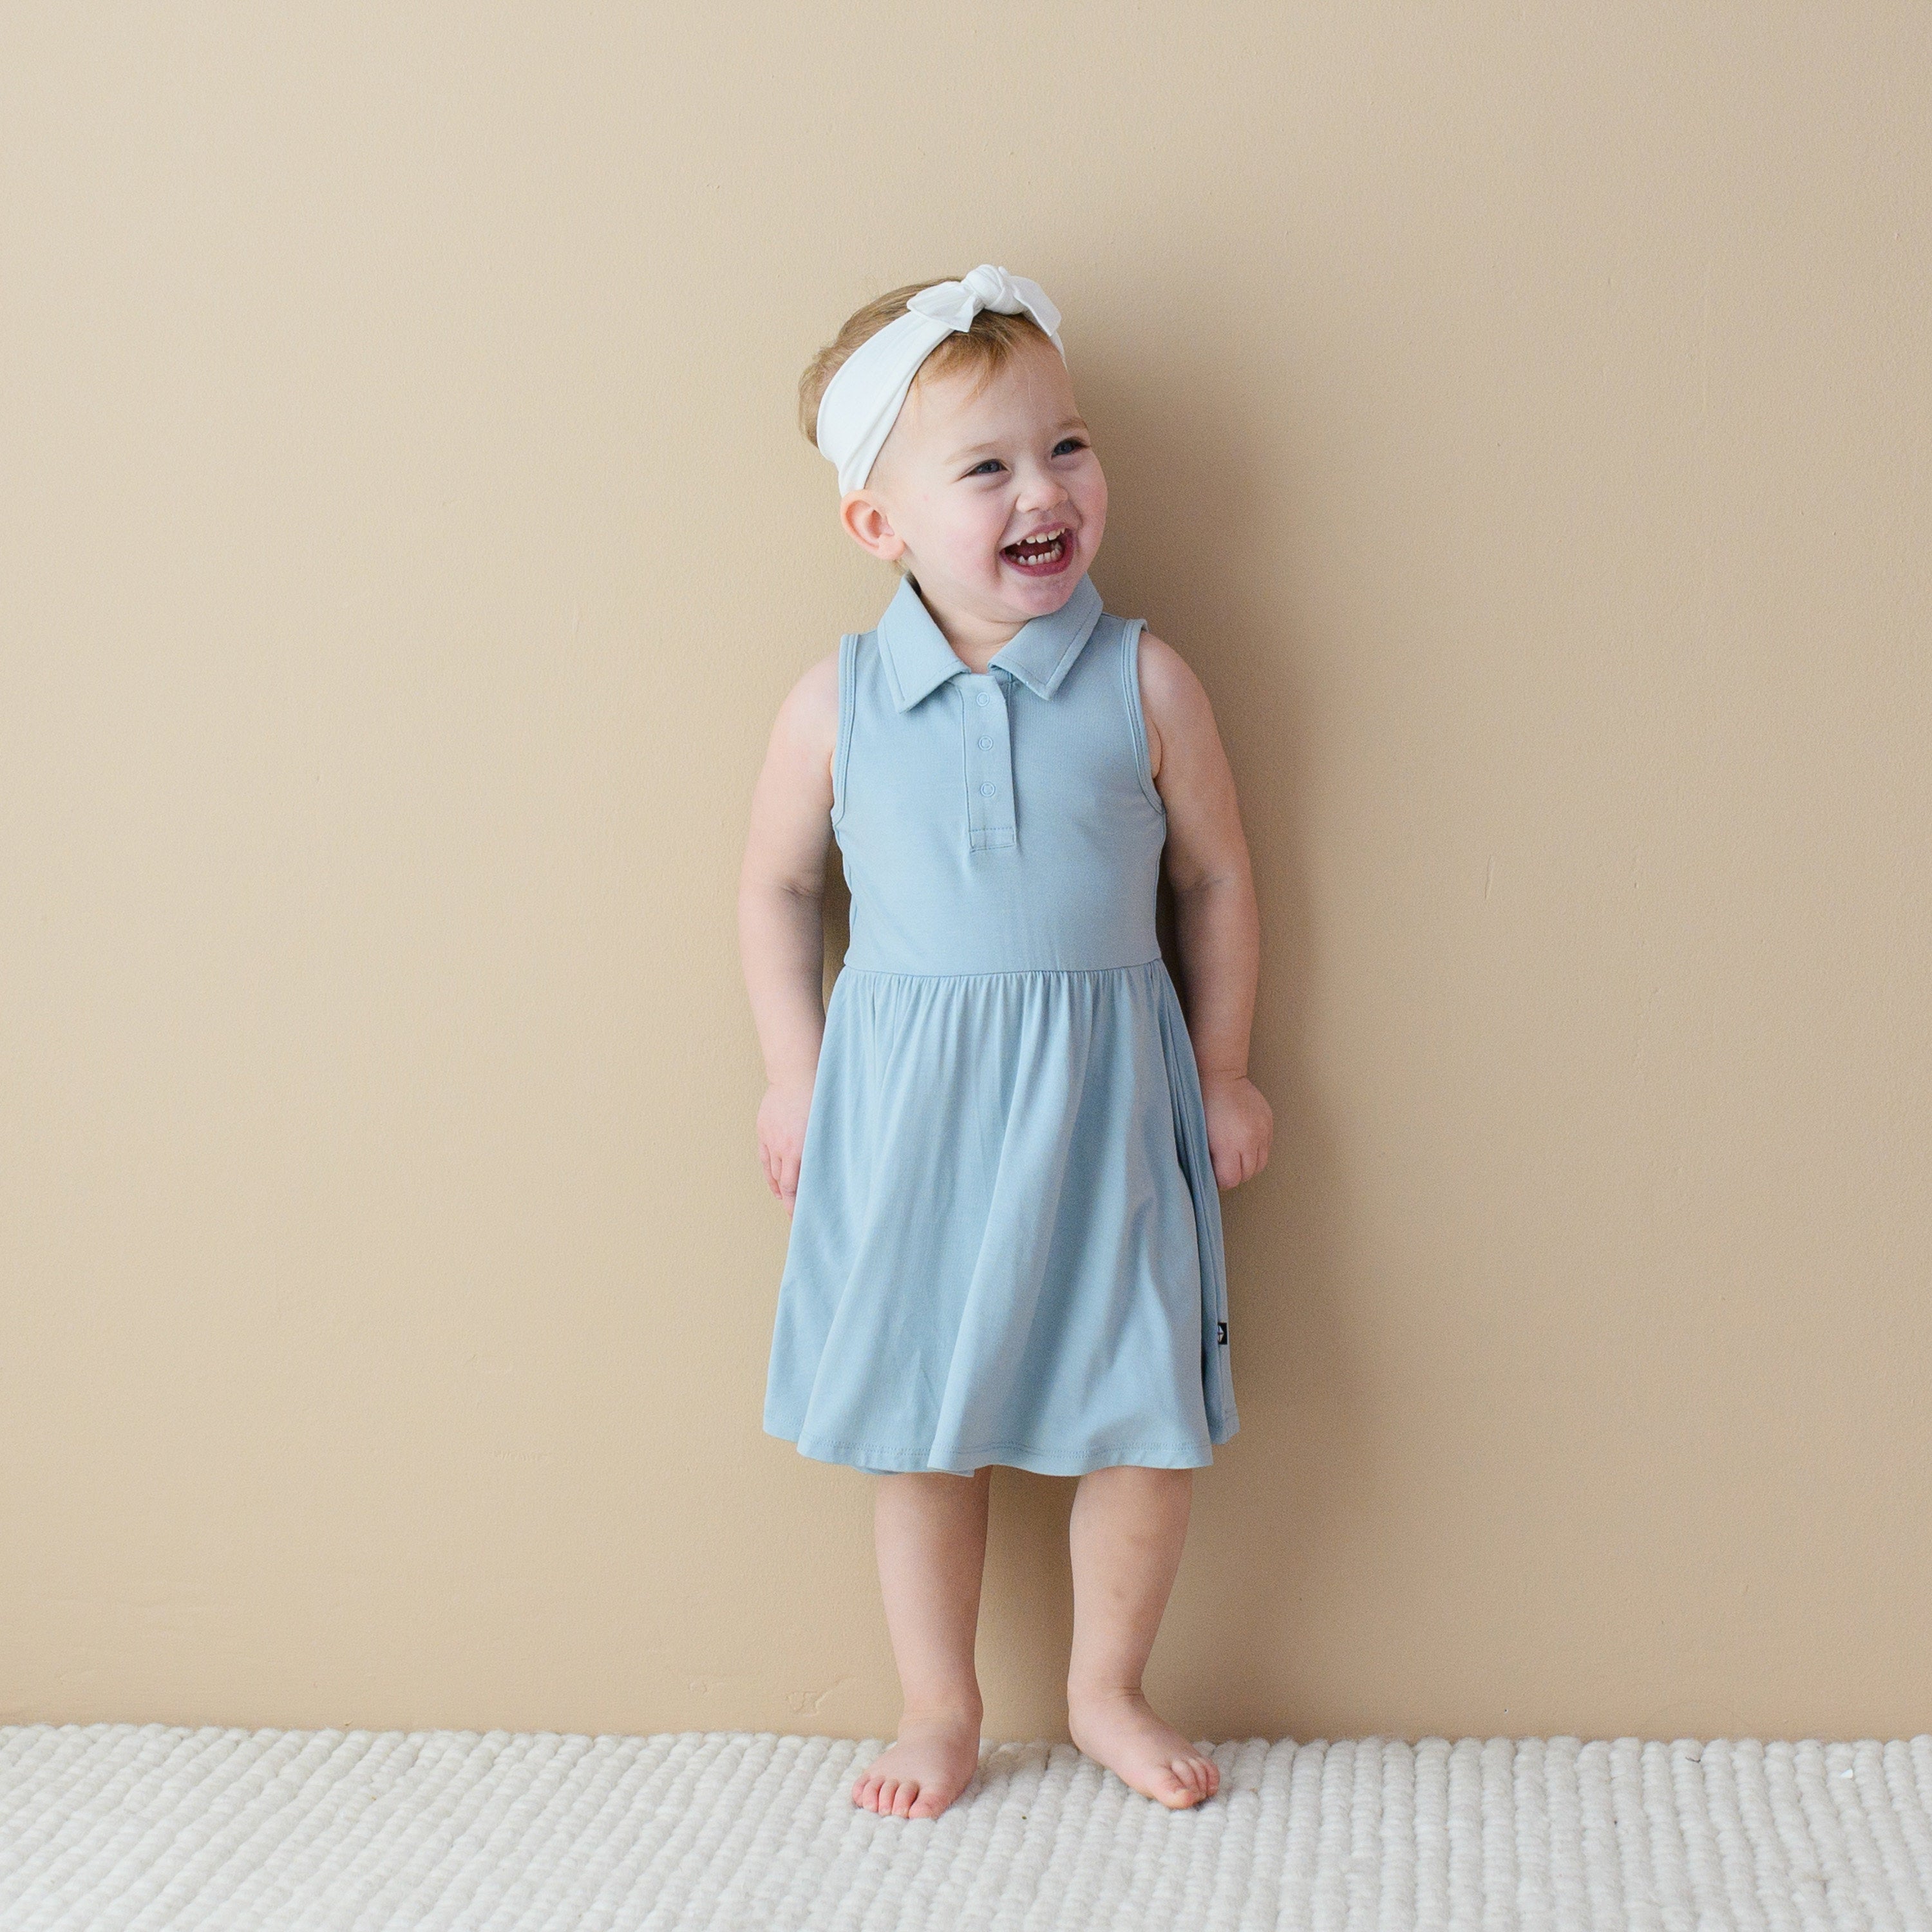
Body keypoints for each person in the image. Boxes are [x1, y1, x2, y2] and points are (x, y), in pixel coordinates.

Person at [738, 265, 1271, 1822]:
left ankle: (1106, 1686)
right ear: (880, 523)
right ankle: (939, 1706)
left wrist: (1226, 1067)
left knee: (1144, 1411)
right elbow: (775, 889)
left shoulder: (1144, 681)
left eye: (1068, 446)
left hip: (1103, 1098)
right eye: (987, 468)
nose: (1045, 491)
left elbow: (1219, 879)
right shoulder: (835, 706)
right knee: (922, 1418)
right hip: (908, 1112)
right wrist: (793, 1067)